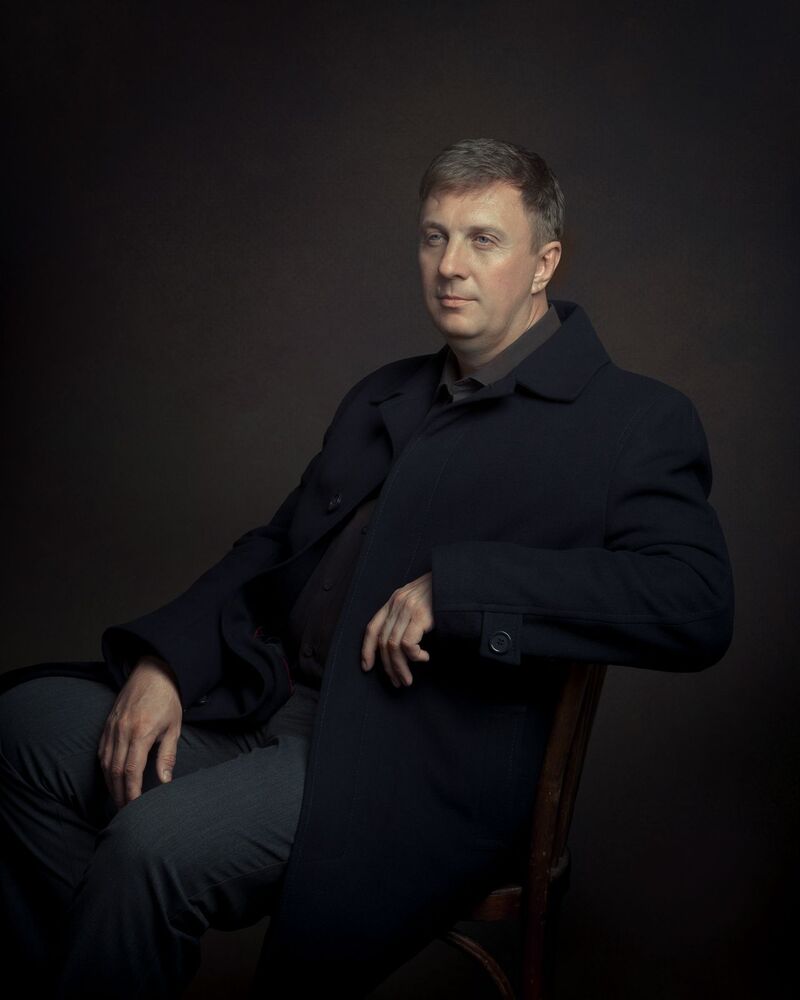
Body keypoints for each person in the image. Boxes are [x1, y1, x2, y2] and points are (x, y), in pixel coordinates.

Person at [0, 138, 734, 998]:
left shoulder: (633, 420)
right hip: (267, 699)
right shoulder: (384, 393)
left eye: (483, 240)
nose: (450, 265)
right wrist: (169, 662)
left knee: (148, 845)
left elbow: (695, 603)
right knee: (24, 728)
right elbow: (274, 547)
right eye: (434, 237)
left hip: (411, 761)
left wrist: (463, 588)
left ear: (545, 263)